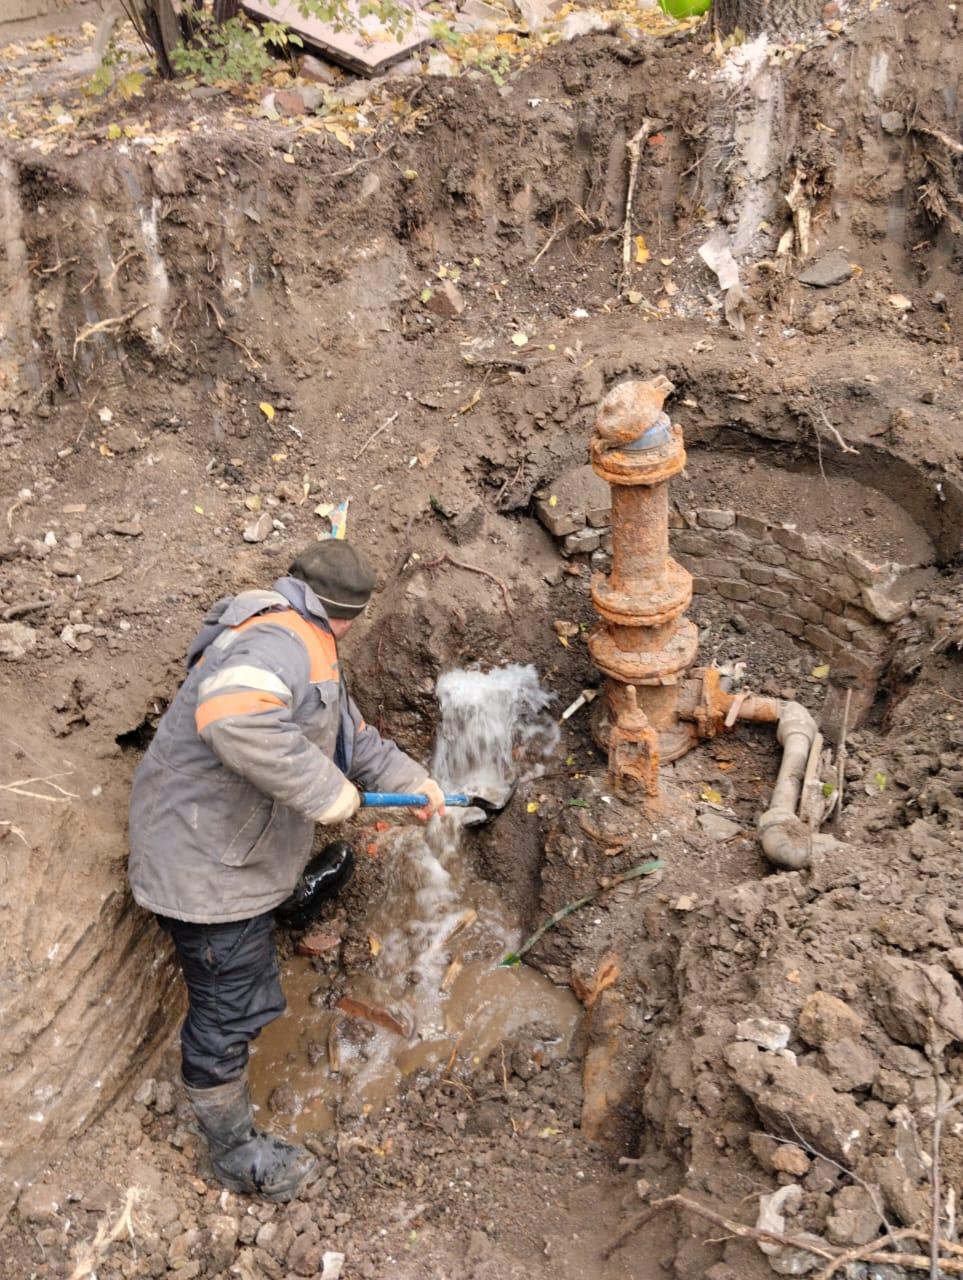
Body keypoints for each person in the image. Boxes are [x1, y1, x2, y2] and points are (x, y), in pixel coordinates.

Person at [128, 540, 446, 1201]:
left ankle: (285, 896)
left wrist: (412, 781)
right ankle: (232, 1154)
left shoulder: (303, 640)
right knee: (230, 1011)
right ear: (348, 615)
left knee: (247, 972)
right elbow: (232, 717)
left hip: (225, 847)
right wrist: (328, 795)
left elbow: (348, 738)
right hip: (204, 870)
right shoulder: (281, 643)